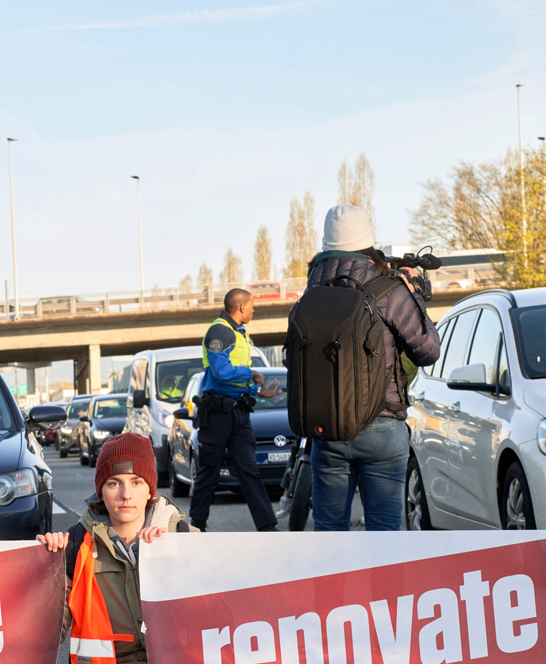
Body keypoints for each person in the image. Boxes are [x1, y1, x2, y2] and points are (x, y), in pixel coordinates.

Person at [34, 433, 195, 664]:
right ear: (101, 491)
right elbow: (50, 634)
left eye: (136, 481)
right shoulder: (76, 543)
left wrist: (176, 554)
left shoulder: (184, 535)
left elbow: (226, 615)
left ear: (150, 487)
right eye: (113, 483)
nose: (126, 494)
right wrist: (47, 574)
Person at [305, 205, 441, 531]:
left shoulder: (312, 291)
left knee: (330, 533)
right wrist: (412, 293)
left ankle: (333, 583)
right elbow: (428, 350)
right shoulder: (387, 289)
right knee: (384, 536)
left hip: (328, 430)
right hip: (381, 424)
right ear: (368, 241)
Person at [188, 288, 283, 532]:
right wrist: (250, 373)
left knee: (250, 471)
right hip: (217, 414)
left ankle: (268, 527)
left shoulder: (240, 334)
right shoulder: (220, 330)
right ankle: (197, 526)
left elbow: (235, 380)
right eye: (252, 306)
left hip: (239, 413)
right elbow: (221, 371)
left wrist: (258, 391)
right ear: (241, 307)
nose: (254, 310)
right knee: (209, 472)